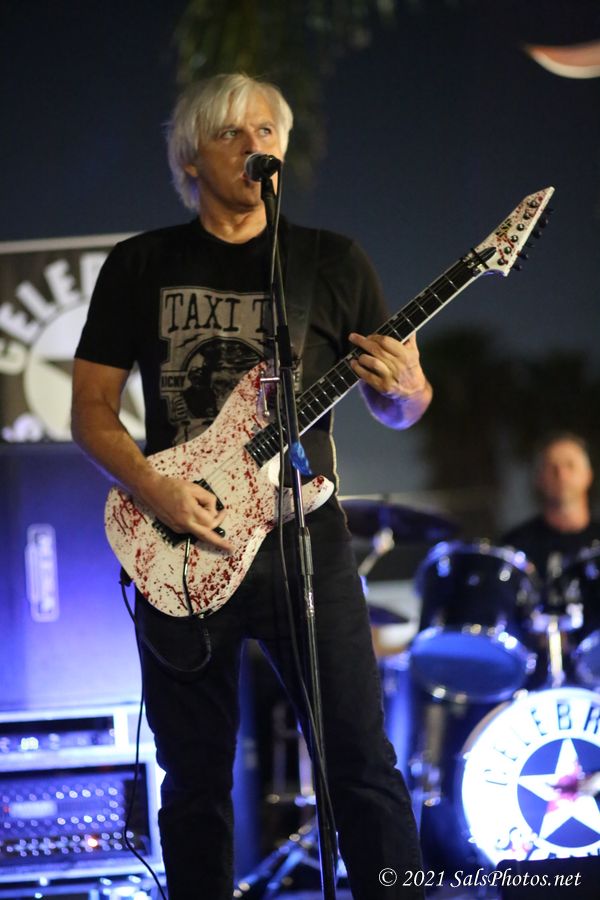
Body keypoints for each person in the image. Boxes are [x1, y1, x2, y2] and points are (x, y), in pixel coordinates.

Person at [71, 73, 432, 900]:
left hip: (305, 543)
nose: (253, 144)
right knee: (195, 778)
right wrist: (154, 489)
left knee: (361, 762)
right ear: (190, 158)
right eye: (231, 132)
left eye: (266, 130)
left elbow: (398, 408)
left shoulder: (331, 262)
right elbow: (90, 412)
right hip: (183, 542)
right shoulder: (140, 264)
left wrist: (409, 388)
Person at [501, 432, 600, 686]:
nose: (561, 475)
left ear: (588, 475)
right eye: (552, 467)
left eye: (570, 465)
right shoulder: (515, 546)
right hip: (532, 675)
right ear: (539, 479)